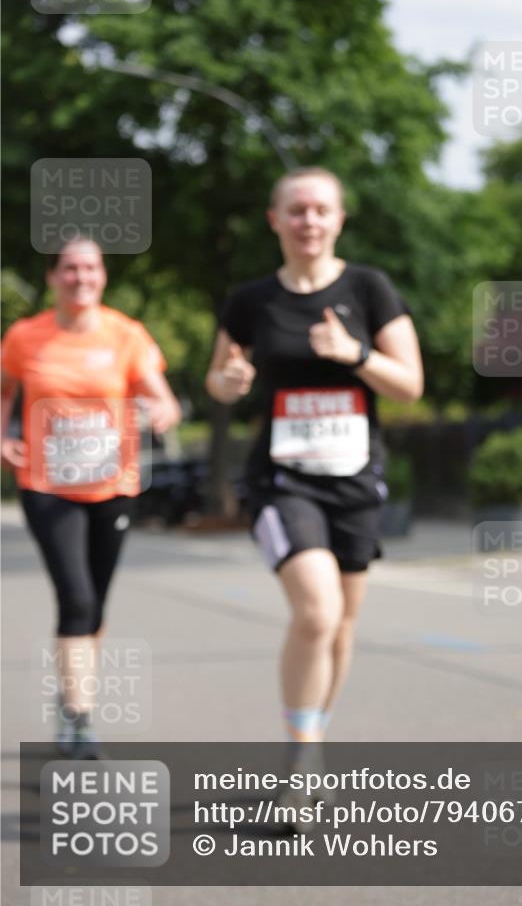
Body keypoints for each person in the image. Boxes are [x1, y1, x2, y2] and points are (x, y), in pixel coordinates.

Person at [206, 167, 423, 768]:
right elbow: (220, 382)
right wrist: (228, 381)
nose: (309, 221)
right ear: (275, 219)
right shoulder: (252, 301)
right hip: (282, 481)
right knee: (317, 613)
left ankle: (314, 736)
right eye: (296, 210)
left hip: (354, 481)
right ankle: (302, 760)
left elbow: (409, 385)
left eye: (321, 210)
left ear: (339, 219)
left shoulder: (368, 289)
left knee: (343, 627)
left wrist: (355, 354)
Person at [1, 236, 181, 757]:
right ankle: (79, 719)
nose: (81, 277)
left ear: (102, 276)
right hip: (47, 484)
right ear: (52, 278)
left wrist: (164, 411)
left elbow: (158, 395)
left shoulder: (126, 335)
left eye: (91, 268)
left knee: (95, 604)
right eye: (70, 269)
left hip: (112, 484)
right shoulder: (24, 337)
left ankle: (70, 693)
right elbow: (5, 389)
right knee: (76, 597)